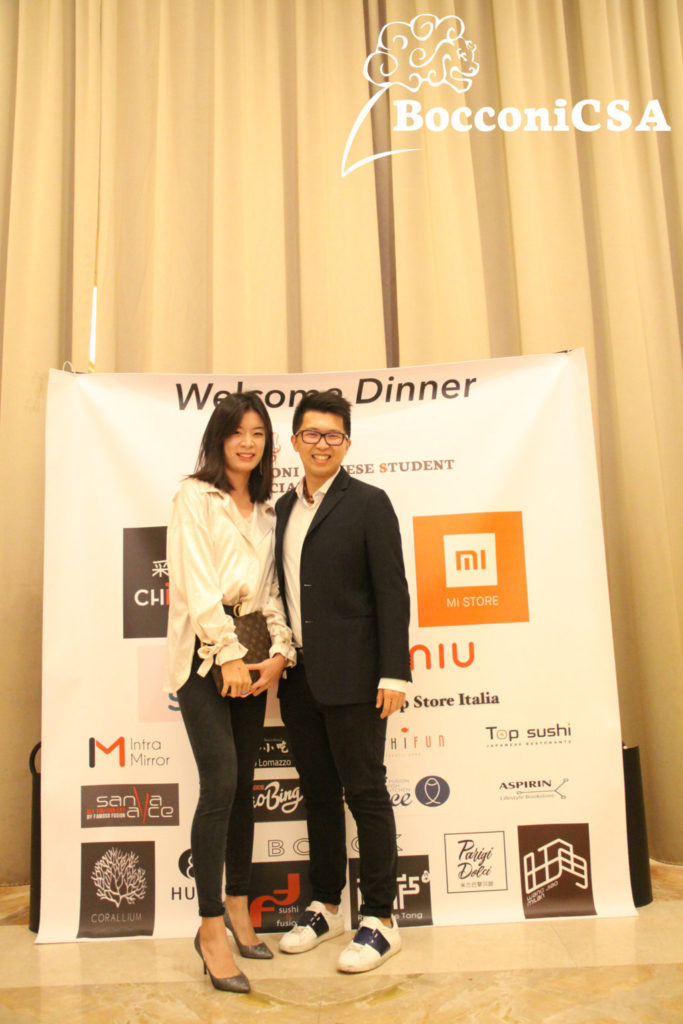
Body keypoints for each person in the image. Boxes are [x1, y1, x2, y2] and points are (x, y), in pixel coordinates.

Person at [274, 389, 411, 973]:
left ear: (347, 444)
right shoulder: (281, 509)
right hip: (299, 678)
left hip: (357, 677)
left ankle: (381, 918)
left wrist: (395, 672)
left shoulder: (370, 503)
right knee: (318, 793)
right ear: (295, 441)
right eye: (311, 434)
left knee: (367, 792)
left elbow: (392, 592)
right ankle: (326, 905)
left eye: (333, 435)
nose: (321, 444)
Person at [166, 391, 296, 993]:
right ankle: (210, 927)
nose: (248, 442)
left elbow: (270, 593)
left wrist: (279, 653)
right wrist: (227, 655)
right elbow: (196, 585)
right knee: (219, 782)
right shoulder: (195, 496)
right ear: (219, 438)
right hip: (204, 657)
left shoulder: (267, 510)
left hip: (251, 653)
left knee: (243, 784)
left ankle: (241, 906)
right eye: (237, 432)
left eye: (258, 433)